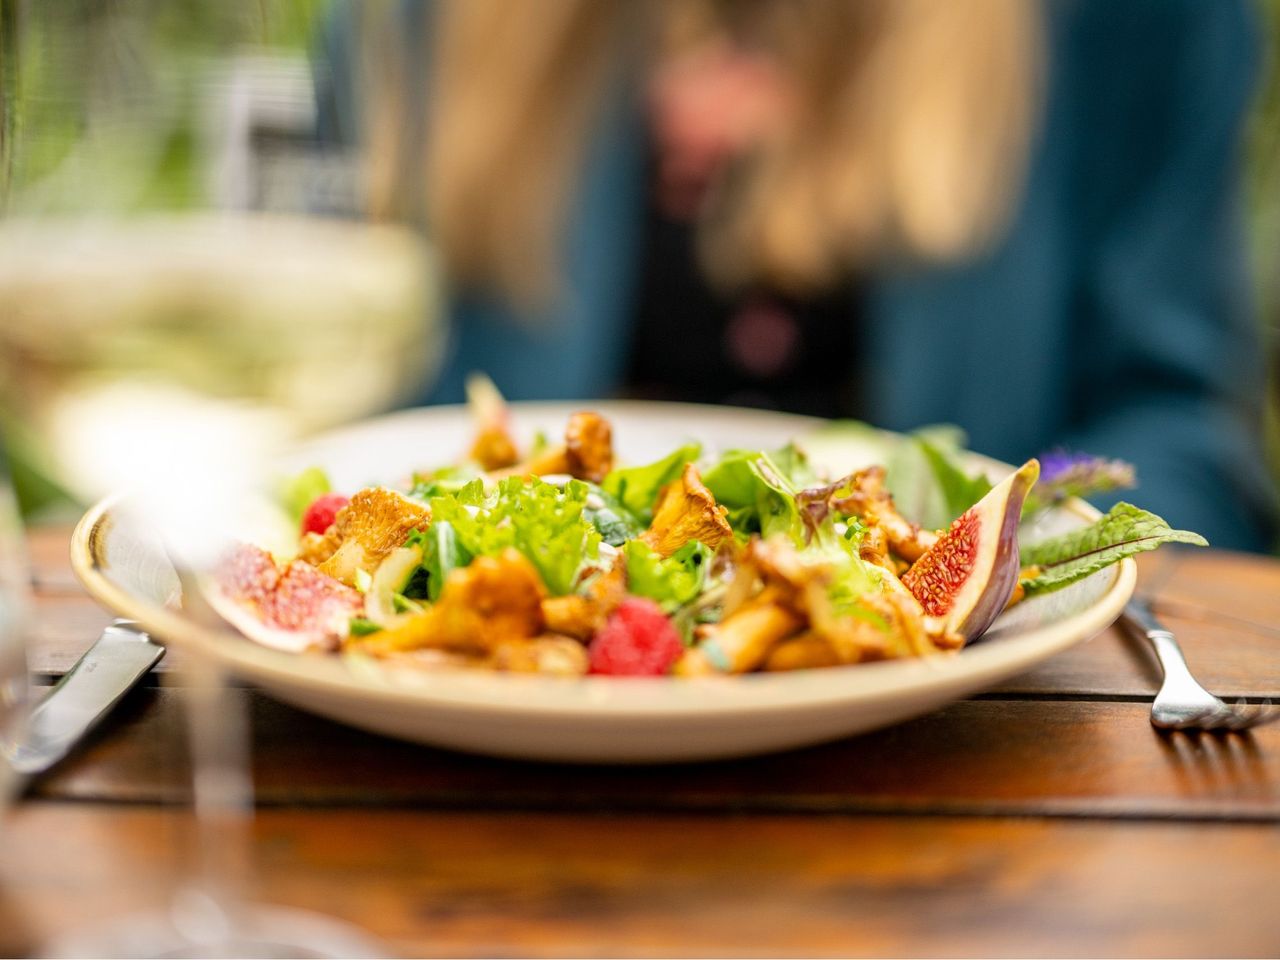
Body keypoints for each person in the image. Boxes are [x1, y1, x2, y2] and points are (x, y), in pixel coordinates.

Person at [317, 0, 1277, 552]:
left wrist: (1016, 561)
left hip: (959, 761)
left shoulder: (1139, 22)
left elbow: (1174, 428)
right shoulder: (414, 22)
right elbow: (340, 399)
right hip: (477, 734)